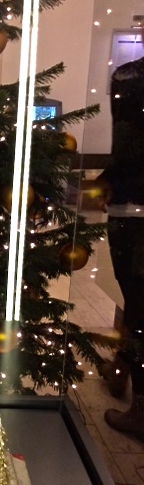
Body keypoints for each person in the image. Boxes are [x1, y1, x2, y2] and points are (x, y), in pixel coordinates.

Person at [96, 57, 144, 437]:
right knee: (137, 302)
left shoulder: (130, 77)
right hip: (132, 206)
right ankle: (121, 368)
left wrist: (109, 178)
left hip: (134, 210)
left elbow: (128, 147)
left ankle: (140, 406)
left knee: (139, 304)